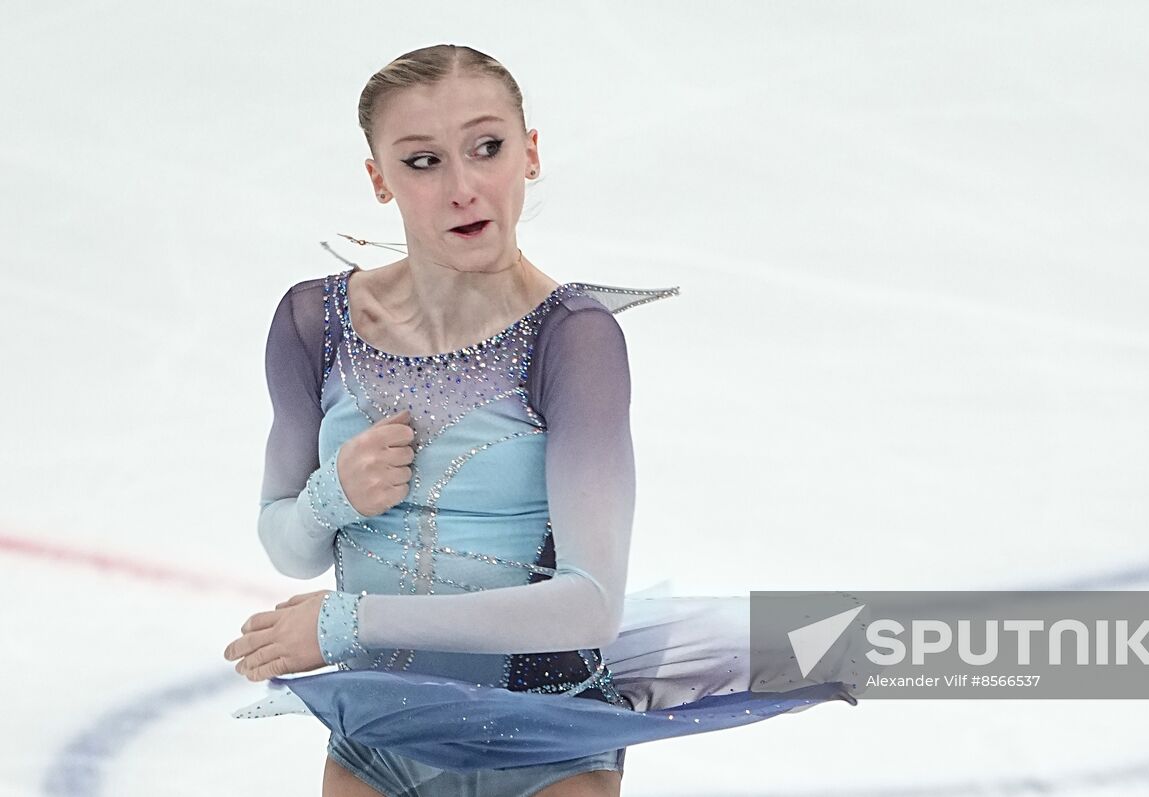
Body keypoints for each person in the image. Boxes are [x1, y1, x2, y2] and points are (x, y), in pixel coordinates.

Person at [222, 44, 855, 797]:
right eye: (423, 161)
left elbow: (589, 603)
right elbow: (284, 540)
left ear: (529, 154)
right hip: (380, 740)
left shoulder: (573, 339)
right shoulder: (312, 323)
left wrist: (345, 622)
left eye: (486, 148)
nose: (463, 188)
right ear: (378, 178)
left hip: (546, 740)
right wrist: (332, 497)